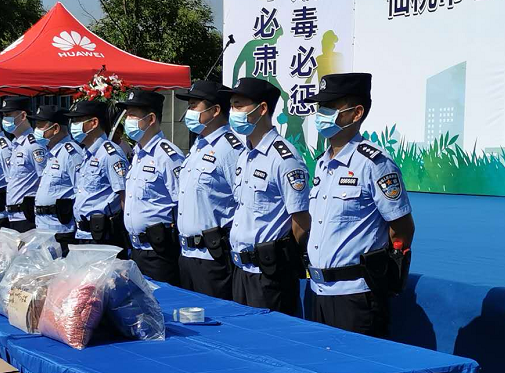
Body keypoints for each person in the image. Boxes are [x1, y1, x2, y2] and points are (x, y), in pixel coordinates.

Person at [303, 73, 415, 338]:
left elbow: (401, 227)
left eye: (331, 107)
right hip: (317, 291)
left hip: (356, 296)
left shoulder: (374, 163)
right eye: (321, 107)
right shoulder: (322, 163)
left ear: (356, 113)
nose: (322, 114)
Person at [222, 78, 311, 315]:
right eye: (231, 106)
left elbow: (300, 220)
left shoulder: (284, 157)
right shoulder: (245, 155)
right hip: (241, 271)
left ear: (262, 109)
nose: (233, 112)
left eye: (239, 105)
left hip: (269, 275)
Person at [175, 80, 243, 299]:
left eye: (194, 105)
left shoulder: (229, 149)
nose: (189, 112)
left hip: (213, 257)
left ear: (215, 111)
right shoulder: (198, 145)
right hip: (187, 254)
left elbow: (242, 202)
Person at [117, 90, 184, 285]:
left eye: (132, 115)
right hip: (137, 249)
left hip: (159, 251)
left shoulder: (167, 155)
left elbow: (181, 202)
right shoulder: (137, 154)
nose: (127, 121)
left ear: (151, 119)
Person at [63, 100, 128, 249]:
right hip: (84, 235)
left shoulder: (110, 154)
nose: (73, 125)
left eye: (78, 120)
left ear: (94, 123)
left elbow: (124, 195)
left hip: (103, 237)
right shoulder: (86, 153)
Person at [30, 105, 84, 254]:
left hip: (61, 230)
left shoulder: (71, 153)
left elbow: (80, 190)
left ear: (55, 128)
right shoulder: (52, 153)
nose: (36, 130)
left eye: (40, 125)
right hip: (44, 229)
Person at [0, 97, 47, 232]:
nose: (5, 119)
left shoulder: (34, 145)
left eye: (8, 115)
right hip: (13, 215)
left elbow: (44, 178)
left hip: (26, 216)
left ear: (23, 116)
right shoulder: (15, 144)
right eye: (4, 115)